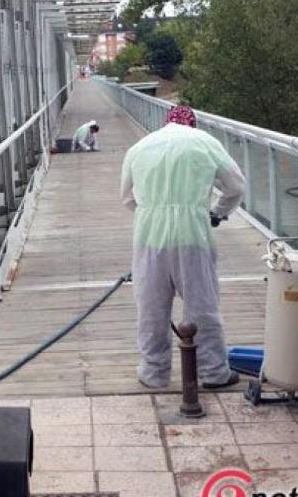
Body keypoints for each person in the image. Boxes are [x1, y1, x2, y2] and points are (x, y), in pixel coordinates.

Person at [119, 105, 246, 389]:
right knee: (202, 306)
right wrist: (217, 212)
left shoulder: (139, 147)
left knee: (151, 308)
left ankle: (154, 372)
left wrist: (153, 211)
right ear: (193, 124)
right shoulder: (205, 142)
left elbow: (127, 198)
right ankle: (213, 372)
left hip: (149, 236)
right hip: (192, 234)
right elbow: (236, 187)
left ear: (165, 123)